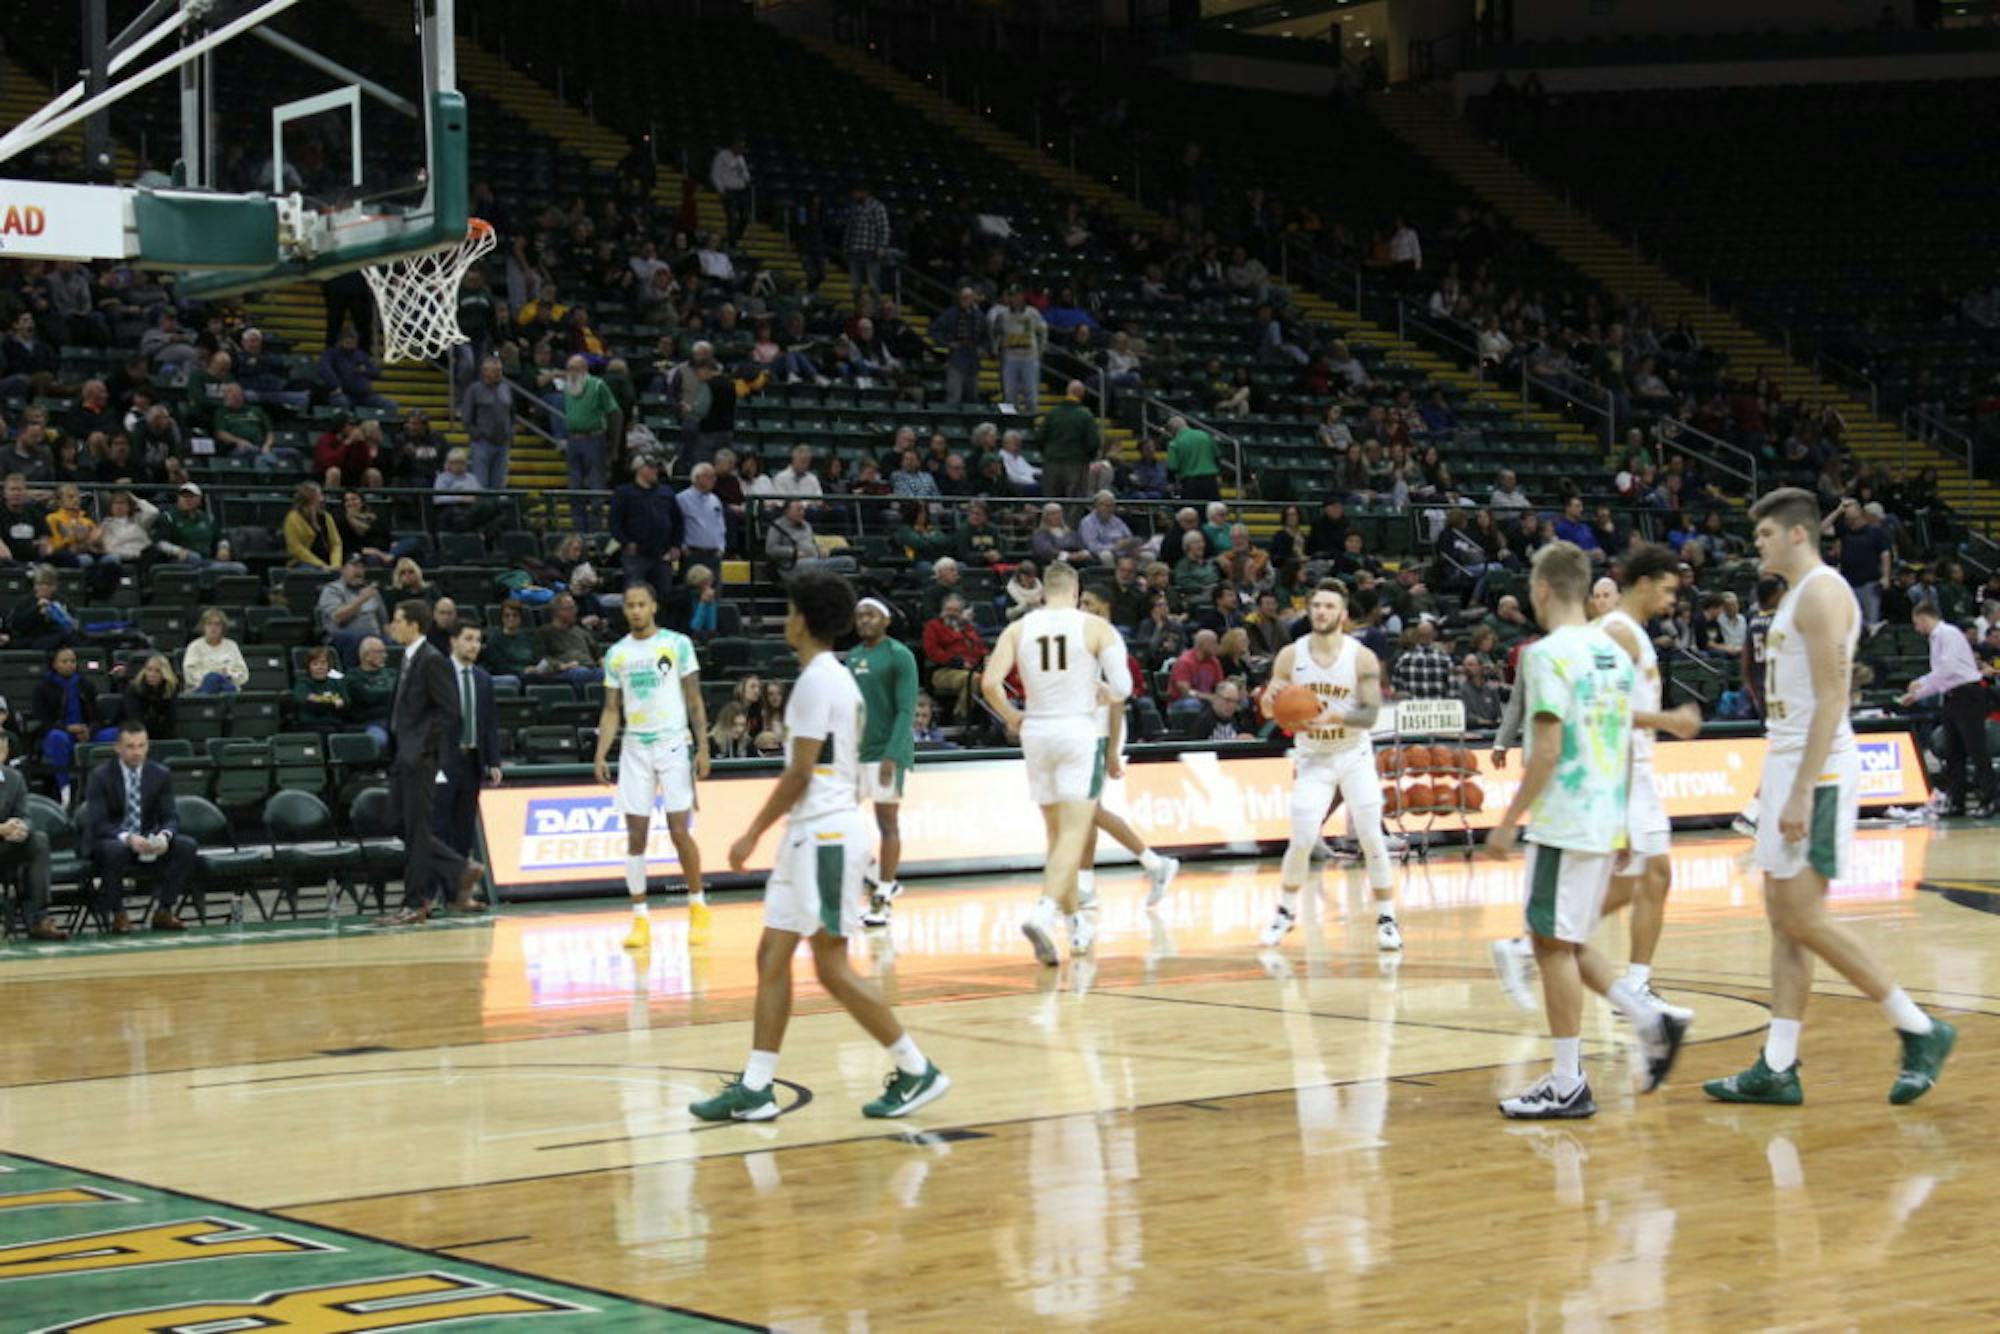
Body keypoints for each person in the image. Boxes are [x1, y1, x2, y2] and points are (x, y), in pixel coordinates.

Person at [1703, 490, 1955, 1107]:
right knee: (1784, 923)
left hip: (1817, 773)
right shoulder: (1796, 597)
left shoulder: (1821, 592)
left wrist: (1800, 790)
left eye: (1764, 534)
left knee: (1802, 918)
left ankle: (1919, 1028)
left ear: (1796, 534)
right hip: (1789, 761)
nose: (1756, 544)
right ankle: (1779, 1064)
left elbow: (1833, 700)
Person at [693, 570, 950, 1122]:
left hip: (828, 833)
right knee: (771, 955)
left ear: (804, 621)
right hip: (810, 833)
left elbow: (800, 774)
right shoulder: (829, 676)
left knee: (831, 966)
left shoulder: (818, 681)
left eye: (790, 612)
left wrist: (751, 831)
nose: (785, 621)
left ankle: (915, 1069)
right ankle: (758, 1086)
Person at [1486, 542, 1683, 1121]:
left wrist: (1506, 823)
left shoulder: (1545, 655)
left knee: (1549, 945)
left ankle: (1568, 1079)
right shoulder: (1613, 654)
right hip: (1604, 817)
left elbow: (1545, 750)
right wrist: (1623, 823)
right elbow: (1626, 740)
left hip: (1564, 821)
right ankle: (1648, 1018)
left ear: (1542, 589)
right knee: (1564, 942)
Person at [981, 561, 1134, 965]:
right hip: (1077, 730)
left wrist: (1011, 716)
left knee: (1055, 836)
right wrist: (1104, 690)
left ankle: (1074, 923)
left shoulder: (1019, 628)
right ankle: (1044, 911)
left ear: (1044, 590)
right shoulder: (1095, 627)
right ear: (1075, 587)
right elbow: (1123, 687)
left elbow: (988, 684)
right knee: (1074, 831)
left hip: (1036, 730)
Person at [1254, 581, 1399, 951]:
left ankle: (1386, 917)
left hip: (1354, 754)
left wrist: (1337, 717)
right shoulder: (1290, 655)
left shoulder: (1361, 657)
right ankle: (1285, 913)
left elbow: (1369, 715)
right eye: (1316, 605)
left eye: (1329, 606)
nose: (1320, 611)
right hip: (1312, 756)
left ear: (1343, 614)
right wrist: (1269, 702)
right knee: (1301, 839)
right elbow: (1272, 707)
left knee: (1370, 836)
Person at [595, 582, 711, 951]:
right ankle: (640, 918)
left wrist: (703, 747)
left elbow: (694, 699)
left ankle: (698, 906)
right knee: (636, 836)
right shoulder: (616, 654)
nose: (635, 610)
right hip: (634, 747)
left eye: (641, 604)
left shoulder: (677, 644)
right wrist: (601, 752)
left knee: (679, 831)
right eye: (629, 605)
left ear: (654, 606)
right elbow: (612, 708)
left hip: (674, 742)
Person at [377, 601, 487, 926]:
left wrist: (422, 747)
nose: (392, 626)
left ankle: (415, 903)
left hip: (420, 759)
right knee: (399, 823)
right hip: (403, 757)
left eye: (396, 620)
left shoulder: (431, 660)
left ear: (414, 625)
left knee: (416, 829)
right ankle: (458, 867)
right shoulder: (409, 658)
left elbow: (450, 711)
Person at [1074, 589, 1180, 912]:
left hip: (1104, 734)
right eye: (1081, 603)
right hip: (1087, 732)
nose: (1084, 608)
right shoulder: (1080, 640)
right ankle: (1086, 887)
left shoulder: (1108, 641)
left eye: (1091, 603)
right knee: (1089, 812)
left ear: (1106, 608)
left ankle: (1155, 864)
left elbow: (1118, 702)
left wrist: (1111, 752)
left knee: (1086, 809)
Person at [840, 597, 922, 930]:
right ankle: (880, 876)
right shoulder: (854, 656)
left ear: (886, 620)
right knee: (842, 824)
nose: (864, 621)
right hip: (857, 753)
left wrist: (892, 754)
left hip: (888, 752)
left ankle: (883, 896)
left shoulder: (900, 655)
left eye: (870, 615)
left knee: (887, 823)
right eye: (859, 616)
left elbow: (906, 709)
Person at [81, 721, 195, 933]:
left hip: (147, 840)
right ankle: (118, 914)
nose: (136, 752)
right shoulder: (100, 776)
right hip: (112, 840)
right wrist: (128, 838)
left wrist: (164, 836)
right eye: (130, 746)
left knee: (186, 846)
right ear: (117, 748)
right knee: (114, 850)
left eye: (141, 746)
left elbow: (170, 816)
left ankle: (164, 910)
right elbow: (98, 823)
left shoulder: (160, 774)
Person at [1901, 601, 1997, 817]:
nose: (1917, 629)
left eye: (1917, 623)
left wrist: (1921, 681)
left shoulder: (1948, 634)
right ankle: (1957, 801)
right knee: (1954, 753)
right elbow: (1942, 679)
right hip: (1952, 697)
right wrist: (1915, 695)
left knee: (1976, 750)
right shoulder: (1937, 638)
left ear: (1924, 618)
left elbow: (1948, 669)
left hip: (1968, 695)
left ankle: (1990, 800)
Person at [434, 623, 502, 890]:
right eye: (468, 639)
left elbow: (489, 723)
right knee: (439, 827)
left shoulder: (483, 679)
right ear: (453, 641)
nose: (474, 645)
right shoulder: (438, 673)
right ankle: (431, 891)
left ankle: (457, 892)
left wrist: (494, 760)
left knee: (463, 830)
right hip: (443, 761)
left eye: (478, 640)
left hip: (472, 760)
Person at [36, 646, 119, 794]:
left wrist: (89, 729)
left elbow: (97, 717)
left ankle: (113, 785)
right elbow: (43, 722)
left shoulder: (85, 685)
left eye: (72, 661)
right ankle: (64, 788)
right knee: (57, 737)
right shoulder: (43, 687)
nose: (69, 664)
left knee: (117, 734)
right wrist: (68, 729)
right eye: (64, 661)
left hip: (85, 732)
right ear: (55, 664)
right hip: (60, 733)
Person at [0, 728, 59, 938]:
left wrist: (23, 828)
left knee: (38, 841)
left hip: (5, 847)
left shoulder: (14, 778)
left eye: (1, 750)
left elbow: (25, 814)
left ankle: (39, 918)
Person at [611, 454, 684, 609]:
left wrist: (676, 545)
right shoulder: (624, 493)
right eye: (651, 467)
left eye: (656, 467)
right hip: (636, 554)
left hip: (662, 554)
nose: (655, 471)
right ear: (639, 469)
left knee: (663, 596)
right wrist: (626, 542)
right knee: (635, 594)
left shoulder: (666, 492)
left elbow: (678, 521)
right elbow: (614, 522)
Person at [559, 355, 622, 530]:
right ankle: (578, 529)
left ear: (584, 369)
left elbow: (615, 412)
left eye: (575, 368)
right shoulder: (567, 388)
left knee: (596, 487)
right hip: (573, 440)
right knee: (574, 487)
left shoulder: (598, 385)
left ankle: (595, 529)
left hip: (594, 439)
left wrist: (614, 445)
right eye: (569, 368)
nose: (571, 372)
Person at [317, 557, 387, 667]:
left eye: (361, 567)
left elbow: (384, 623)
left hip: (374, 638)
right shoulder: (332, 589)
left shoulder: (371, 591)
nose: (359, 571)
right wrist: (361, 600)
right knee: (357, 641)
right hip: (343, 639)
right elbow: (338, 617)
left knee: (393, 643)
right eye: (354, 566)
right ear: (343, 569)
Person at [459, 355, 515, 491]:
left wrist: (511, 433)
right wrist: (477, 435)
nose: (498, 374)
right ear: (485, 371)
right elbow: (466, 417)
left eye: (500, 370)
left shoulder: (506, 389)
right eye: (495, 371)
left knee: (499, 485)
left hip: (502, 444)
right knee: (480, 485)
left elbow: (512, 414)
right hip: (482, 443)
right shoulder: (474, 390)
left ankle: (497, 512)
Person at [181, 607, 249, 695]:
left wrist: (229, 675)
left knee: (228, 688)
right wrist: (214, 675)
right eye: (209, 624)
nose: (213, 627)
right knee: (212, 678)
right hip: (201, 690)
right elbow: (190, 675)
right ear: (203, 626)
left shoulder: (232, 645)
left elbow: (243, 674)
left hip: (227, 687)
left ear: (223, 627)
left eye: (217, 624)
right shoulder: (194, 647)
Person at [347, 636, 397, 750]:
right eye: (379, 652)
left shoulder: (392, 673)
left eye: (385, 652)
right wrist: (392, 693)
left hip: (396, 721)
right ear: (366, 655)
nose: (385, 656)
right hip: (369, 723)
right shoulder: (353, 677)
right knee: (379, 740)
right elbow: (368, 697)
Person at [290, 647, 349, 736]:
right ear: (309, 667)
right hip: (311, 724)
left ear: (328, 665)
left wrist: (319, 700)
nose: (320, 667)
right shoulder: (303, 683)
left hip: (336, 723)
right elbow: (306, 701)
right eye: (315, 664)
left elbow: (346, 701)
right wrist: (332, 702)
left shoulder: (336, 683)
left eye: (323, 663)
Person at [121, 654, 178, 739]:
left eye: (157, 671)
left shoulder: (170, 690)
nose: (152, 674)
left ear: (165, 674)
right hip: (130, 729)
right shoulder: (134, 689)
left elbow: (171, 720)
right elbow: (135, 719)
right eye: (149, 669)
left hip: (159, 733)